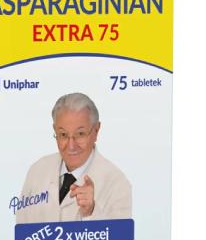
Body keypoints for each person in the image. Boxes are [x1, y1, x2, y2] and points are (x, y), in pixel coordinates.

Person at [15, 93, 132, 223]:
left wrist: (91, 211)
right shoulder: (37, 171)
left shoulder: (117, 184)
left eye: (80, 134)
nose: (71, 146)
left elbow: (120, 235)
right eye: (63, 134)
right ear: (55, 130)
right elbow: (21, 230)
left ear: (96, 130)